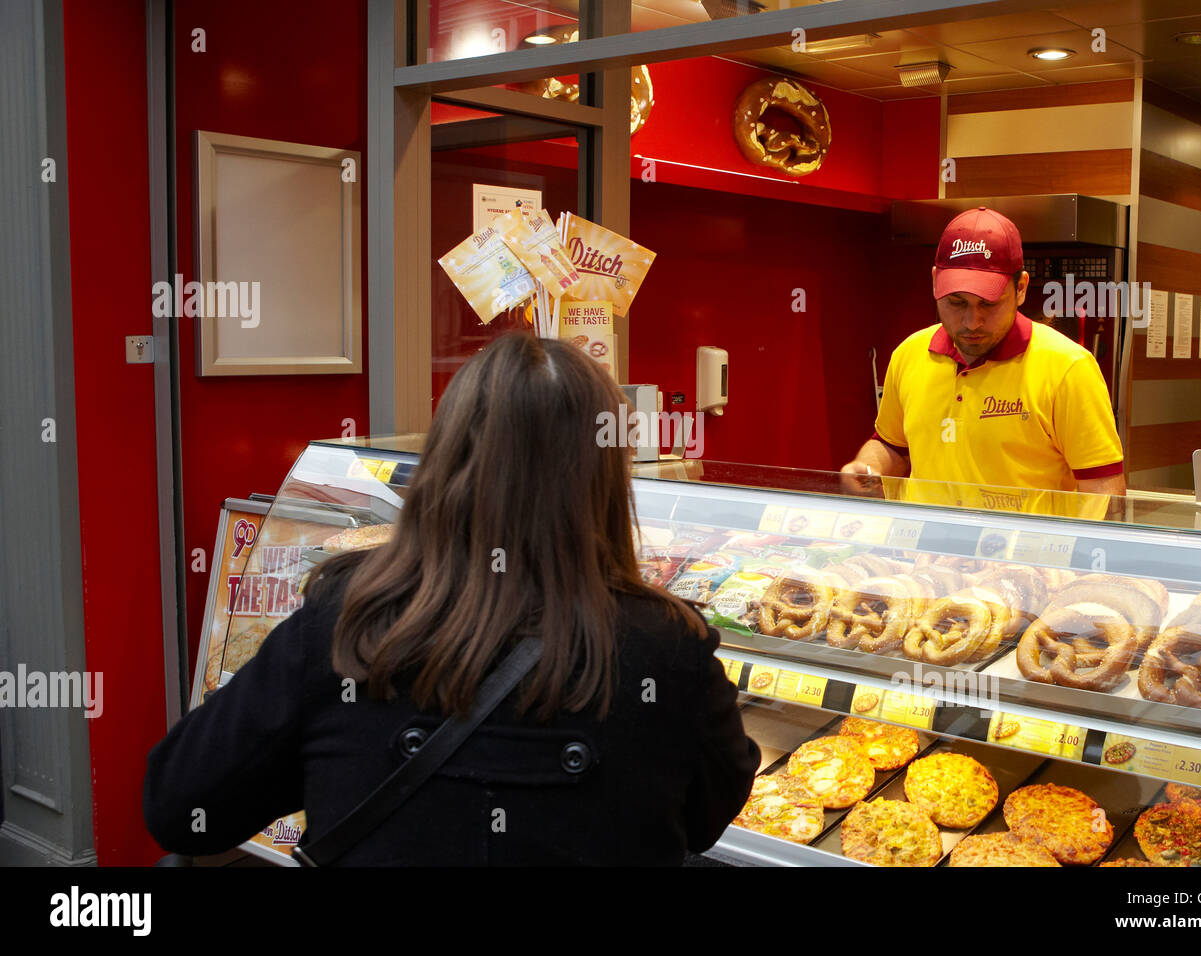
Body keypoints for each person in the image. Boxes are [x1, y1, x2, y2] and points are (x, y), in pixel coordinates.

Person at [143, 332, 760, 865]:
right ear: (604, 479)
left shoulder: (343, 622)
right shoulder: (669, 645)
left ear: (444, 458)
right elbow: (708, 818)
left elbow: (180, 807)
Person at [841, 206, 1125, 497]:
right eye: (956, 302)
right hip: (925, 542)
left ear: (1021, 288)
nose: (971, 322)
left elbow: (1104, 491)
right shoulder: (909, 354)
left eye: (988, 304)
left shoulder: (1069, 367)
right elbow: (892, 446)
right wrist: (867, 467)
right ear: (935, 281)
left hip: (1025, 543)